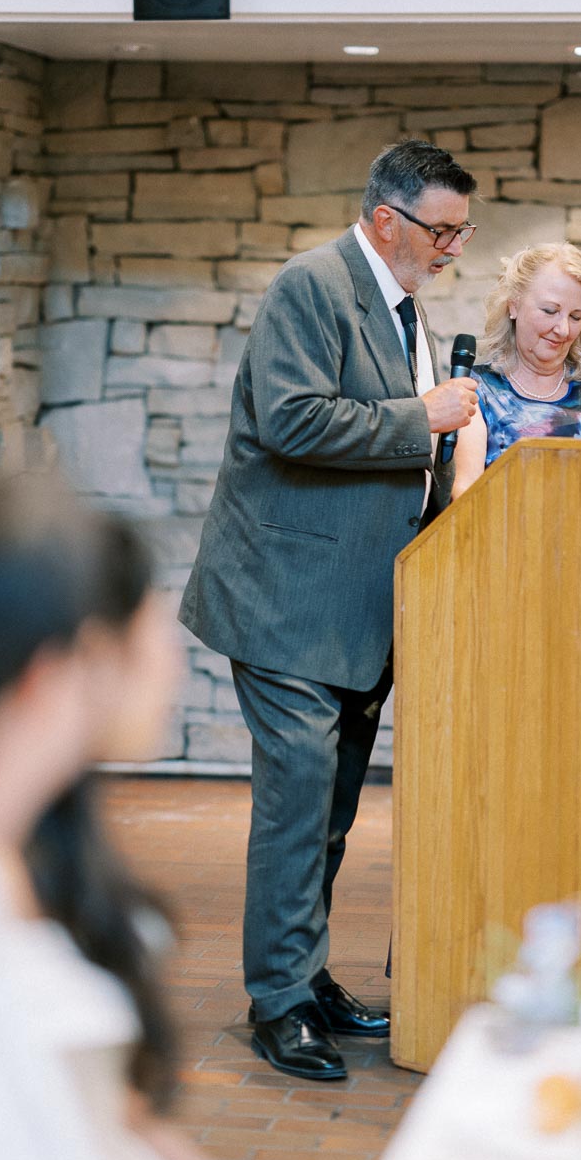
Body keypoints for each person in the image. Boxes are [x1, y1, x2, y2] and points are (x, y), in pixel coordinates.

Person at [179, 138, 479, 1081]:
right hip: (286, 601)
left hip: (357, 613)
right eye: (442, 230)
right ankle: (277, 1002)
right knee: (297, 805)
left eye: (464, 233)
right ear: (387, 220)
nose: (452, 248)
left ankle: (304, 977)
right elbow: (292, 419)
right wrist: (421, 418)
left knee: (334, 811)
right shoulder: (312, 286)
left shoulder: (406, 309)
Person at [0, 468, 288, 1160]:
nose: (170, 649)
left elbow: (105, 1113)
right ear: (55, 671)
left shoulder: (31, 835)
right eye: (137, 622)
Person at [452, 242, 581, 498]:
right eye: (550, 311)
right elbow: (464, 493)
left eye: (575, 317)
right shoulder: (477, 391)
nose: (563, 329)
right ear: (513, 305)